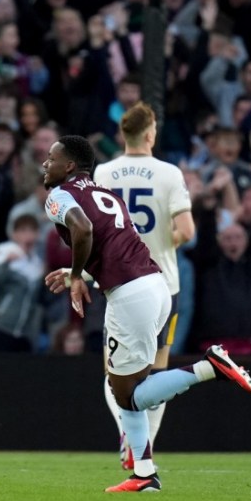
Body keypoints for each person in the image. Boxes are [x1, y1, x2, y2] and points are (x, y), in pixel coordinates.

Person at [42, 135, 251, 493]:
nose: (45, 164)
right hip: (155, 287)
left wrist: (77, 274)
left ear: (69, 166)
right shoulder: (106, 195)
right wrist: (81, 273)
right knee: (125, 385)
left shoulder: (60, 196)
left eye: (52, 158)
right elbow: (115, 247)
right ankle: (144, 473)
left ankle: (208, 367)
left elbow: (83, 229)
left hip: (129, 295)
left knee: (128, 394)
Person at [93, 102, 195, 469]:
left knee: (115, 370)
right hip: (164, 285)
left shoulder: (103, 172)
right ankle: (145, 443)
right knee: (155, 372)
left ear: (123, 134)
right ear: (151, 133)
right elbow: (186, 230)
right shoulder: (168, 173)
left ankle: (128, 434)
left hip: (120, 283)